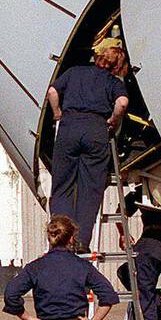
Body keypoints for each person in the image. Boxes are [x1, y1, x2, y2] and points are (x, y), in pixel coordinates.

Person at [47, 38, 131, 252]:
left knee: (63, 187)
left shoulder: (74, 72)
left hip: (69, 127)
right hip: (96, 130)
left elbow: (52, 92)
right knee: (90, 190)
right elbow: (122, 103)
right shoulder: (114, 82)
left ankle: (61, 239)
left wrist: (57, 113)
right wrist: (114, 119)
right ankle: (81, 241)